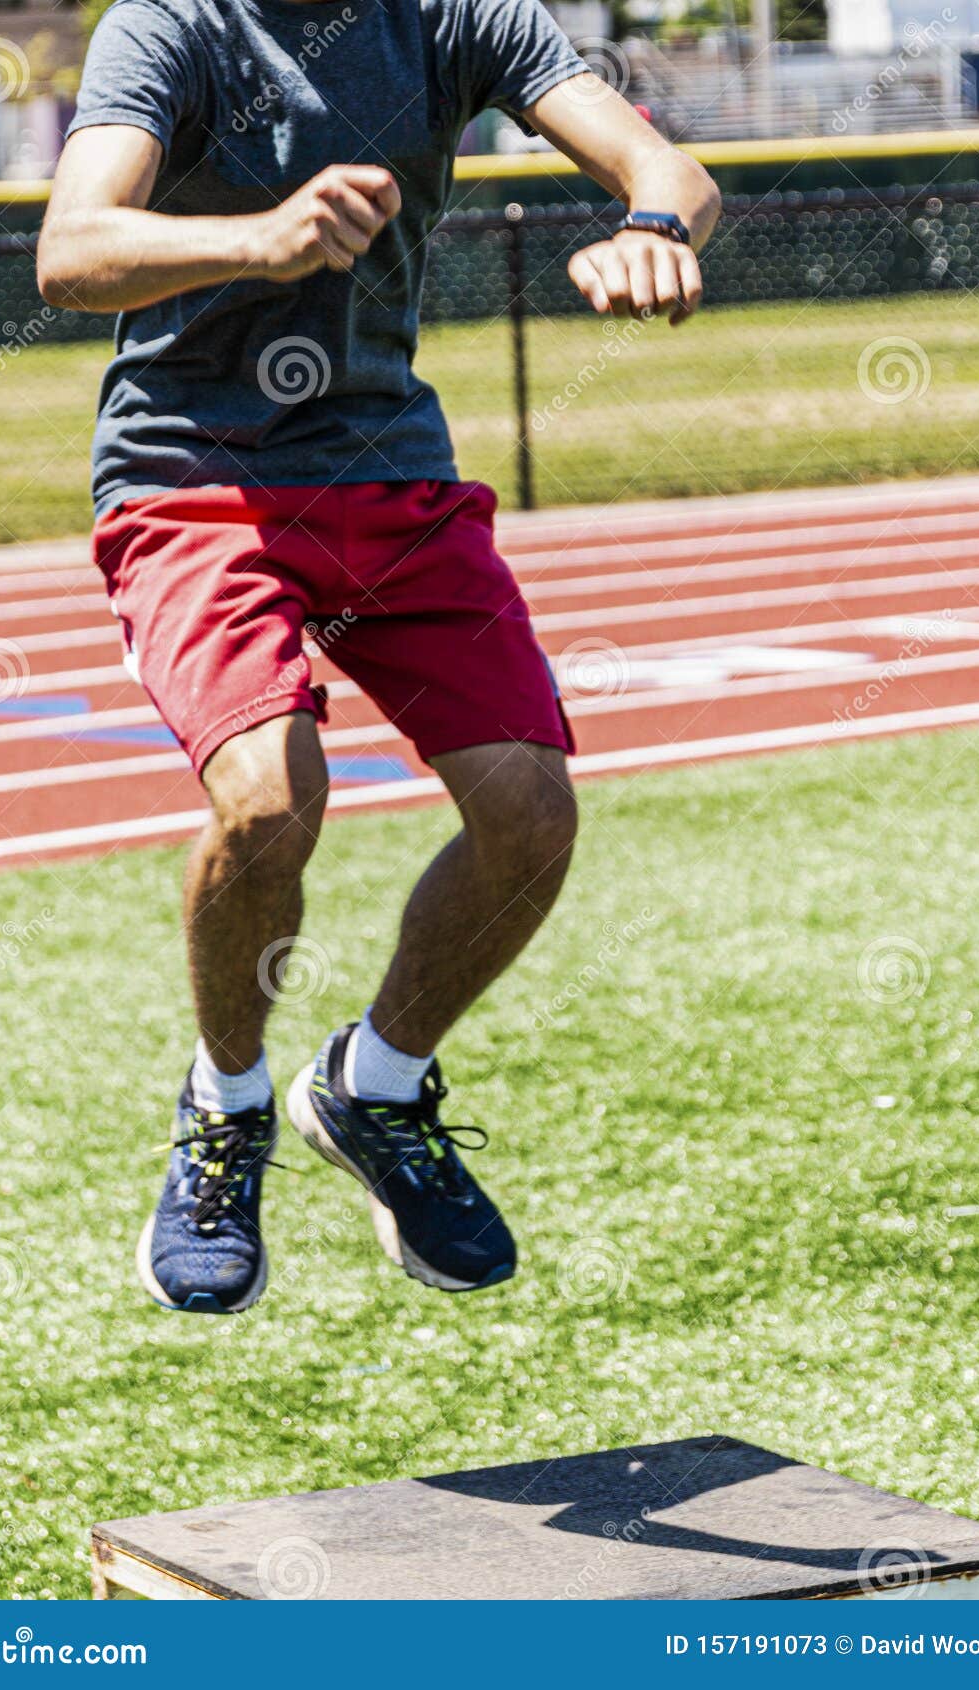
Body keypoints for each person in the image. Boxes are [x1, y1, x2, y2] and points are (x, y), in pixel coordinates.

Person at [38, 0, 721, 1312]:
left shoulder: (463, 15)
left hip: (385, 464)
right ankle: (226, 1105)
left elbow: (669, 171)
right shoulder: (170, 26)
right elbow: (70, 251)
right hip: (192, 478)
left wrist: (648, 226)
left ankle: (375, 1085)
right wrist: (262, 235)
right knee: (270, 798)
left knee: (530, 810)